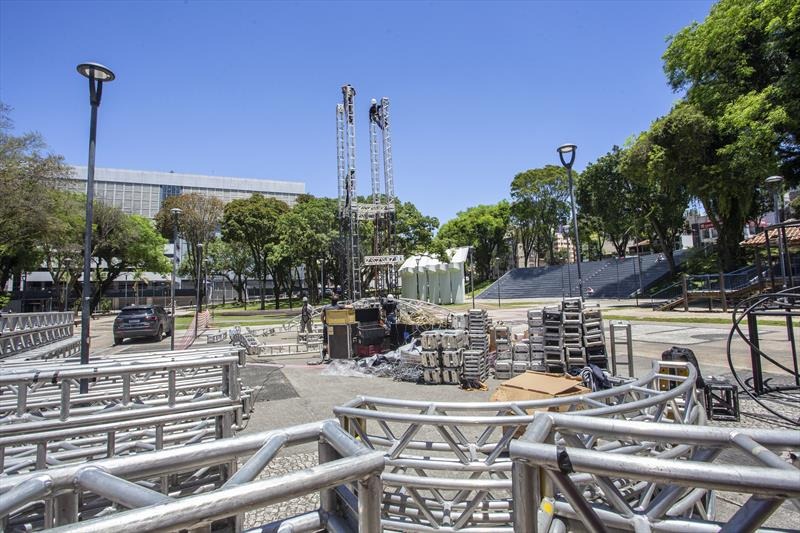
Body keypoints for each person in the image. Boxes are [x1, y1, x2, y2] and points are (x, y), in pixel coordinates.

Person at [319, 294, 342, 363]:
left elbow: (321, 316)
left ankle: (326, 353)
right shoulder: (339, 306)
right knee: (335, 340)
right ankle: (334, 355)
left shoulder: (326, 307)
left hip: (327, 326)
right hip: (336, 326)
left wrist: (324, 323)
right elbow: (350, 307)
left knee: (326, 341)